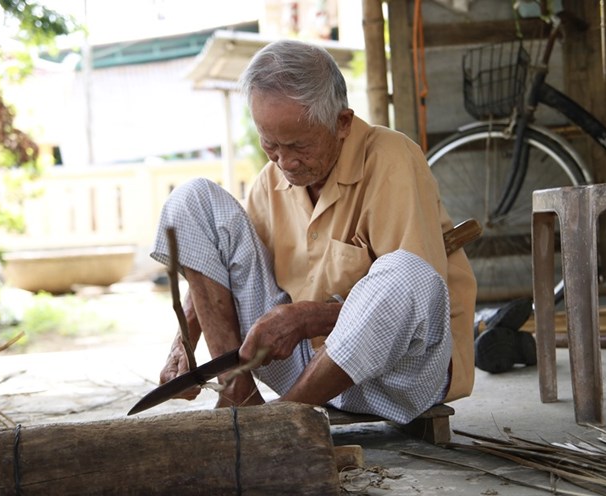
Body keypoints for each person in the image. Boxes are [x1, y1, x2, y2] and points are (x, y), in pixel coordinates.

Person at [149, 39, 477, 424]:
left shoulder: (392, 159)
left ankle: (282, 423)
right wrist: (184, 342)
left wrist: (307, 318)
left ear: (342, 123)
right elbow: (216, 263)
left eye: (298, 146)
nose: (284, 162)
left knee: (408, 272)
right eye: (270, 144)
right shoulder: (271, 182)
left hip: (397, 376)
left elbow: (416, 301)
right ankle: (240, 398)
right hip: (302, 365)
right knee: (191, 199)